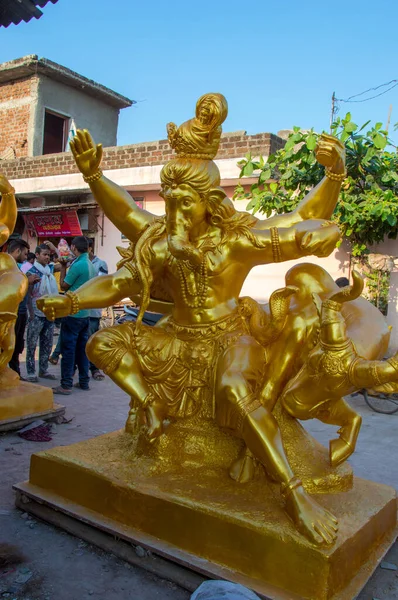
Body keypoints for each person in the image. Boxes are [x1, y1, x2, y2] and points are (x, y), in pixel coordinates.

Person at [52, 236, 96, 395]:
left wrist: (63, 267)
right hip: (85, 313)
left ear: (75, 248)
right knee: (82, 349)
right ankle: (84, 381)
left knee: (68, 350)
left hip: (73, 313)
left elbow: (64, 286)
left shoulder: (78, 265)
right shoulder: (90, 264)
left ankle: (66, 385)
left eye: (72, 248)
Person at [25, 244, 59, 382]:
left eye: (48, 255)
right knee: (32, 344)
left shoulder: (49, 269)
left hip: (49, 312)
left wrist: (54, 248)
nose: (47, 257)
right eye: (44, 254)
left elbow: (65, 261)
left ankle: (43, 370)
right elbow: (27, 293)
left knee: (47, 343)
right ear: (37, 255)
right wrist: (31, 313)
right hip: (36, 313)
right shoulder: (30, 272)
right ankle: (31, 371)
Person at [7, 240, 39, 377]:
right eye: (25, 254)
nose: (26, 258)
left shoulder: (20, 267)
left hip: (20, 311)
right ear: (17, 251)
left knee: (17, 345)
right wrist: (27, 281)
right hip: (10, 313)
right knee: (9, 345)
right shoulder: (6, 266)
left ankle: (16, 375)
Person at [88, 239, 108, 380]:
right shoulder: (77, 263)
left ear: (89, 248)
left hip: (93, 309)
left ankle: (94, 369)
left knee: (92, 341)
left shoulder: (101, 264)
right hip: (79, 311)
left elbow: (102, 284)